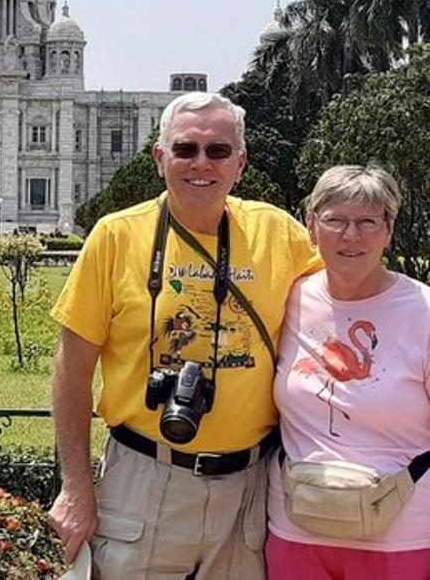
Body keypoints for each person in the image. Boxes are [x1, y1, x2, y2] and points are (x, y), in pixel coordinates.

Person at [48, 91, 319, 579]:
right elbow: (71, 368)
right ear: (159, 158)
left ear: (240, 162)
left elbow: (344, 305)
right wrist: (75, 486)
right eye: (185, 149)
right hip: (143, 480)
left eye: (217, 151)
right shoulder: (116, 236)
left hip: (248, 493)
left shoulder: (280, 235)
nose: (201, 164)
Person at [266, 165, 430, 577]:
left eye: (367, 222)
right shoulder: (286, 299)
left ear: (388, 229)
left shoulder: (423, 311)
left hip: (402, 531)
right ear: (311, 225)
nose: (350, 236)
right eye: (335, 220)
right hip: (299, 523)